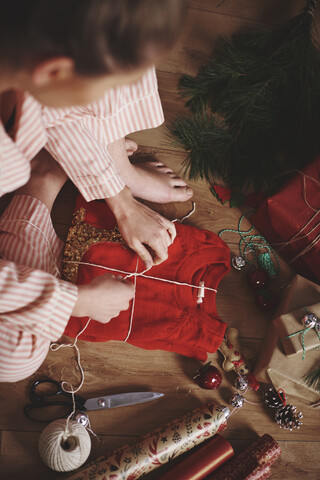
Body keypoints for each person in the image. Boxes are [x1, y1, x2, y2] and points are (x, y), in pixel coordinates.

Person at [0, 0, 192, 382]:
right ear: (52, 71)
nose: (102, 111)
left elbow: (53, 109)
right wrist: (77, 300)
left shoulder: (24, 56)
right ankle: (48, 172)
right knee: (14, 358)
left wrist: (120, 198)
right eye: (103, 93)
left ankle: (46, 172)